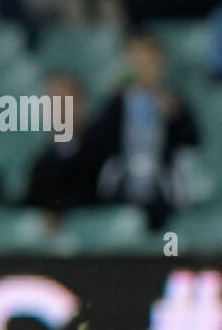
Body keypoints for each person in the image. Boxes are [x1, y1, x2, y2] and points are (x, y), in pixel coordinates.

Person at [86, 30, 200, 229]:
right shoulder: (118, 102)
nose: (143, 68)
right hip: (123, 182)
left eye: (149, 61)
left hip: (161, 186)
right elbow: (96, 141)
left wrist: (176, 116)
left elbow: (193, 139)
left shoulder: (172, 101)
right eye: (137, 60)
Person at [24, 73, 104, 215]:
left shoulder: (101, 158)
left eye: (63, 103)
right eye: (50, 104)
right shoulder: (41, 164)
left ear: (82, 106)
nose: (57, 112)